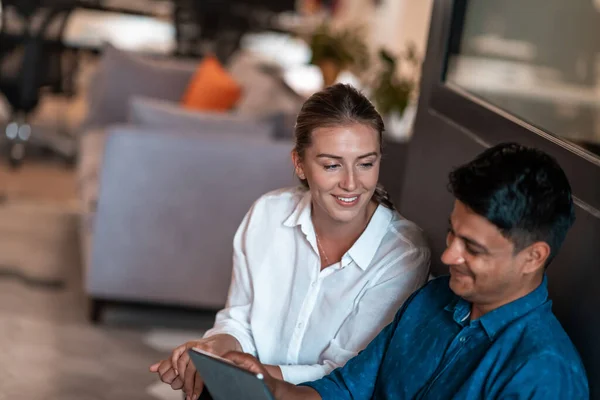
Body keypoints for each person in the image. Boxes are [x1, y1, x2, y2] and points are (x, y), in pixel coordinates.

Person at [225, 142, 590, 399]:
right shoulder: (431, 299)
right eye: (452, 232)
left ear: (532, 257)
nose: (448, 256)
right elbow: (344, 390)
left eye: (473, 249)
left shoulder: (544, 374)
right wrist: (268, 387)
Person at [149, 84, 431, 400]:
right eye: (332, 165)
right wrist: (211, 350)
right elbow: (238, 319)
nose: (352, 183)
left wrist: (252, 372)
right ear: (299, 163)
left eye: (366, 163)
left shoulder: (403, 253)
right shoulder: (268, 215)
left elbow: (350, 374)